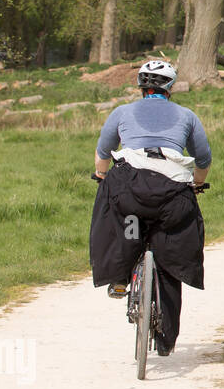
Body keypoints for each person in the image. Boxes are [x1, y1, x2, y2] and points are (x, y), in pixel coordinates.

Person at [89, 60, 211, 357]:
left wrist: (102, 176)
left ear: (141, 87)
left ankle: (118, 278)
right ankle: (167, 338)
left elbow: (103, 151)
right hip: (172, 195)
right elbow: (203, 158)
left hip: (129, 188)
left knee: (120, 222)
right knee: (171, 251)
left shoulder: (122, 112)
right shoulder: (187, 115)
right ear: (170, 87)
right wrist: (197, 183)